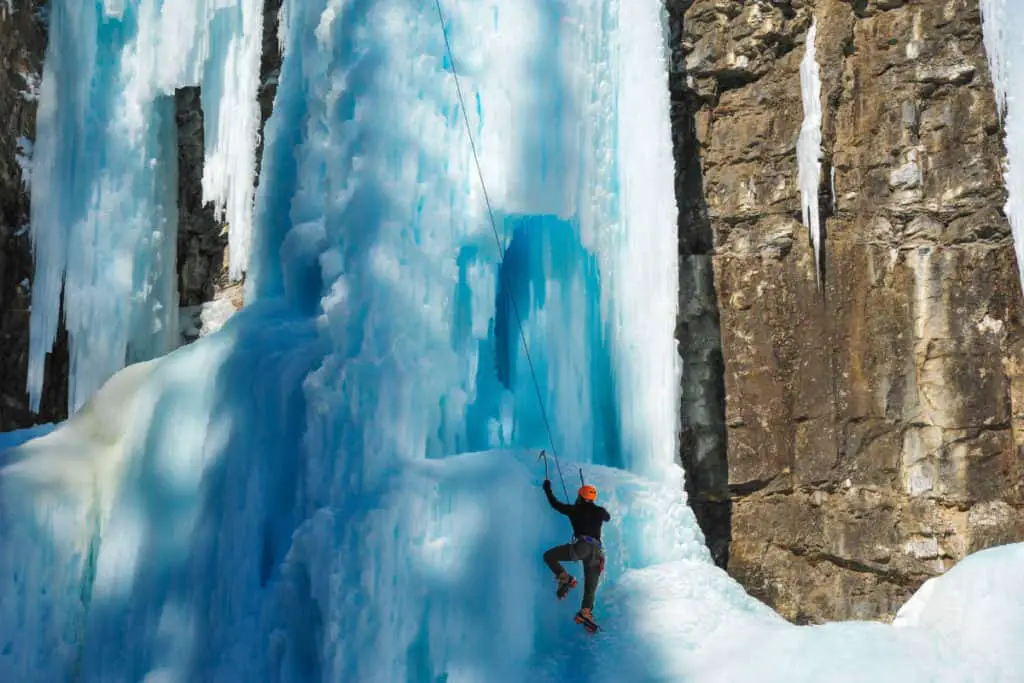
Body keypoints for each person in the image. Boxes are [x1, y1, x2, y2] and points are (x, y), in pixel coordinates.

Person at [541, 478, 611, 630]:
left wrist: (547, 489)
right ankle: (586, 612)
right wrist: (597, 511)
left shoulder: (574, 510)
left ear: (580, 496)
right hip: (597, 552)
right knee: (590, 587)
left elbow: (555, 504)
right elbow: (608, 517)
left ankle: (564, 578)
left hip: (582, 547)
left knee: (549, 556)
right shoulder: (599, 511)